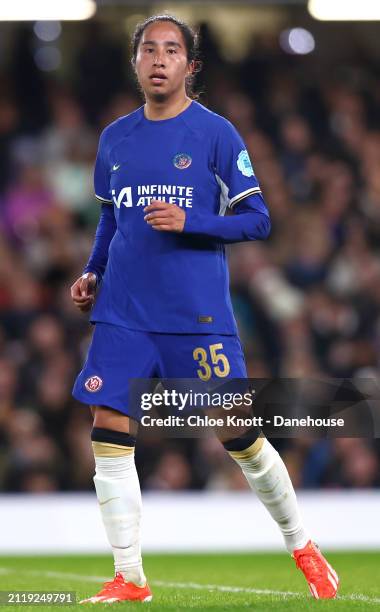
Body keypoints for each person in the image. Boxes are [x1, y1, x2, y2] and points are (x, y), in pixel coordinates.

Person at [71, 14, 339, 604]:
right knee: (109, 428)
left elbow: (259, 219)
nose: (159, 59)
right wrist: (93, 270)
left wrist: (192, 221)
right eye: (149, 49)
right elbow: (110, 218)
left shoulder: (216, 134)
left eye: (171, 50)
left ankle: (304, 546)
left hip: (195, 314)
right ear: (136, 62)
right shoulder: (114, 137)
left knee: (238, 435)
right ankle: (129, 577)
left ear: (190, 66)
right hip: (123, 312)